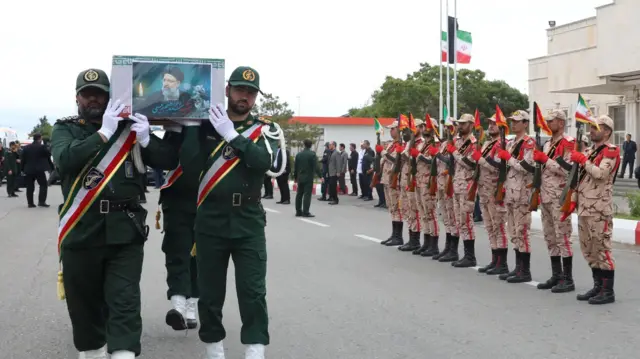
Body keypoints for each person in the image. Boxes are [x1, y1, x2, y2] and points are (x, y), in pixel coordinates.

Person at [51, 68, 178, 359]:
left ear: (110, 97)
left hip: (125, 228)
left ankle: (123, 352)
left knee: (125, 300)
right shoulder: (66, 128)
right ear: (77, 98)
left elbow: (168, 160)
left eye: (100, 94)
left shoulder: (129, 128)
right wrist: (103, 133)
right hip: (81, 227)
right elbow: (65, 159)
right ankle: (93, 351)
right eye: (87, 94)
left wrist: (147, 139)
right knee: (84, 303)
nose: (93, 99)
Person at [187, 66, 283, 359]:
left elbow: (266, 163)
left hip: (248, 221)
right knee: (210, 292)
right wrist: (190, 127)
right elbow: (188, 166)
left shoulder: (266, 129)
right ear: (227, 90)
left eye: (251, 93)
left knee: (253, 291)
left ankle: (255, 349)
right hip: (210, 219)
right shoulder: (204, 127)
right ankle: (214, 348)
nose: (245, 97)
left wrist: (231, 136)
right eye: (240, 90)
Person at [571, 115, 620, 305]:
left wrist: (583, 159)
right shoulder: (590, 151)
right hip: (585, 207)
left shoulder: (611, 151)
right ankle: (598, 286)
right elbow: (580, 180)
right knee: (588, 249)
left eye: (595, 127)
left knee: (602, 249)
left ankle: (608, 291)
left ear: (607, 131)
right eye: (590, 127)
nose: (591, 131)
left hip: (599, 209)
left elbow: (601, 174)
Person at [158, 121, 201, 331]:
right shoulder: (173, 131)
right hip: (176, 200)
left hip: (204, 202)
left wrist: (194, 126)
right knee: (176, 251)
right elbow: (164, 158)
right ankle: (178, 303)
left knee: (198, 256)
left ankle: (192, 301)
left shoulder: (212, 128)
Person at [532, 110, 576, 292]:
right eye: (548, 121)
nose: (548, 124)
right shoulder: (548, 143)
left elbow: (568, 170)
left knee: (563, 237)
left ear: (561, 122)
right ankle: (556, 275)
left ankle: (568, 279)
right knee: (550, 237)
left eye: (552, 121)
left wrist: (545, 160)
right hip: (546, 195)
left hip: (560, 196)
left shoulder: (568, 143)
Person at [496, 110, 536, 283]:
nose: (514, 124)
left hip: (522, 194)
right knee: (513, 230)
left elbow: (526, 165)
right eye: (512, 121)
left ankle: (525, 270)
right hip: (510, 192)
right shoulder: (511, 142)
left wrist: (508, 158)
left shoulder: (529, 143)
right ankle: (517, 268)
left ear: (526, 123)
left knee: (522, 231)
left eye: (518, 121)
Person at [472, 115, 508, 274]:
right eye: (490, 124)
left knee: (498, 226)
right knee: (489, 226)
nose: (491, 126)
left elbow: (498, 168)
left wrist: (480, 160)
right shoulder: (487, 143)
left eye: (494, 124)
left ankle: (502, 263)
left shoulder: (502, 145)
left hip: (495, 191)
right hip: (484, 190)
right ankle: (494, 260)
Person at [444, 114, 477, 267]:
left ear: (471, 125)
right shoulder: (456, 141)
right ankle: (461, 253)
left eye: (464, 124)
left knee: (466, 220)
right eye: (459, 124)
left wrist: (455, 153)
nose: (460, 126)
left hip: (467, 185)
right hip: (457, 184)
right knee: (459, 221)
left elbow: (470, 163)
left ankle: (470, 256)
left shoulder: (474, 143)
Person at [411, 118, 440, 256]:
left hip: (429, 182)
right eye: (423, 127)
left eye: (427, 127)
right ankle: (426, 242)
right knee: (423, 213)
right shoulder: (424, 144)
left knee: (430, 213)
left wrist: (419, 155)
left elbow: (432, 162)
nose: (424, 129)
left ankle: (433, 244)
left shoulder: (436, 144)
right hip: (419, 180)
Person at [397, 118, 424, 252]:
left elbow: (415, 160)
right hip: (406, 178)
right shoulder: (410, 142)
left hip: (414, 178)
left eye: (415, 127)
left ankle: (415, 240)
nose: (412, 130)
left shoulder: (422, 143)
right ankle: (411, 237)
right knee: (406, 209)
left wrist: (409, 154)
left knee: (414, 210)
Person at [378, 121, 404, 246]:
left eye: (392, 129)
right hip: (386, 178)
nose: (390, 131)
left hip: (394, 179)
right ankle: (394, 234)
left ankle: (398, 236)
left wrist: (383, 153)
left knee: (396, 208)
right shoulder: (391, 144)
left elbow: (395, 160)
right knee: (391, 208)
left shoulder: (401, 144)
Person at [21, 132, 52, 208]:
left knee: (30, 186)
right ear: (40, 139)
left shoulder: (26, 147)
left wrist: (22, 169)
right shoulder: (42, 147)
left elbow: (23, 159)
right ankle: (41, 201)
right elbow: (48, 154)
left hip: (28, 169)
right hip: (39, 170)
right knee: (43, 185)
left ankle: (30, 203)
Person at [294, 139, 322, 217]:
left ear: (304, 145)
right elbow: (316, 166)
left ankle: (298, 211)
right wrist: (321, 176)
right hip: (308, 177)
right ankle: (305, 211)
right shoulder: (312, 154)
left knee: (299, 194)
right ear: (311, 145)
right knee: (307, 195)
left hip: (300, 177)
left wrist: (295, 177)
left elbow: (296, 167)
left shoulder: (299, 154)